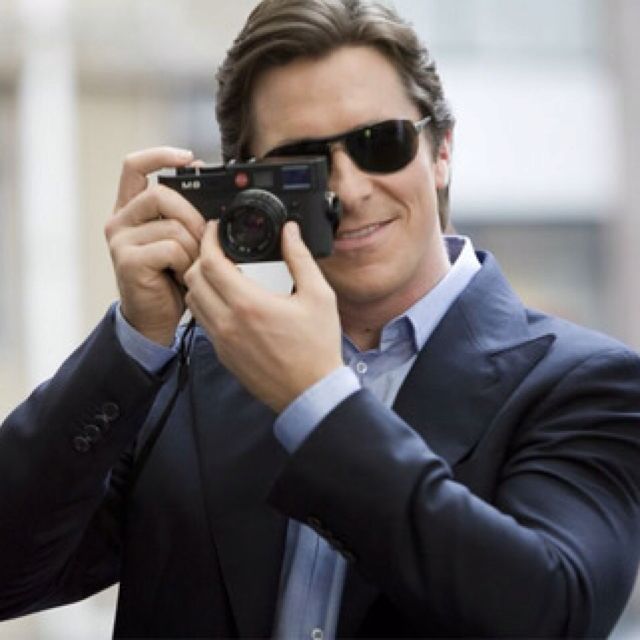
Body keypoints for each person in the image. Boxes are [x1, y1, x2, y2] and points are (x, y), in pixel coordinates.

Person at [1, 0, 640, 637]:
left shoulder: (588, 385)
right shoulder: (190, 371)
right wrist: (134, 343)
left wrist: (317, 401)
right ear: (248, 180)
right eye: (303, 161)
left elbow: (549, 616)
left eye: (381, 144)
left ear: (441, 150)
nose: (351, 191)